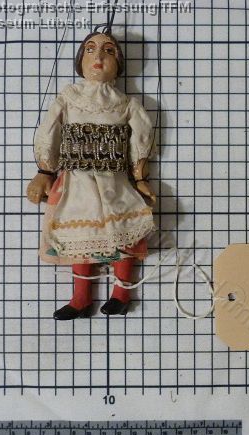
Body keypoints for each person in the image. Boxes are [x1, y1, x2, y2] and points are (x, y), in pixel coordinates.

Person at [26, 30, 156, 319]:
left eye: (108, 51)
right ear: (80, 60)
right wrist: (44, 171)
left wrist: (140, 178)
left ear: (119, 63)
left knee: (123, 233)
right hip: (76, 182)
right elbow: (49, 132)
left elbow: (140, 142)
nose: (98, 56)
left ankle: (121, 294)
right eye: (90, 49)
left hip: (114, 181)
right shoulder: (69, 98)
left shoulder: (126, 104)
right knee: (79, 236)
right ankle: (81, 298)